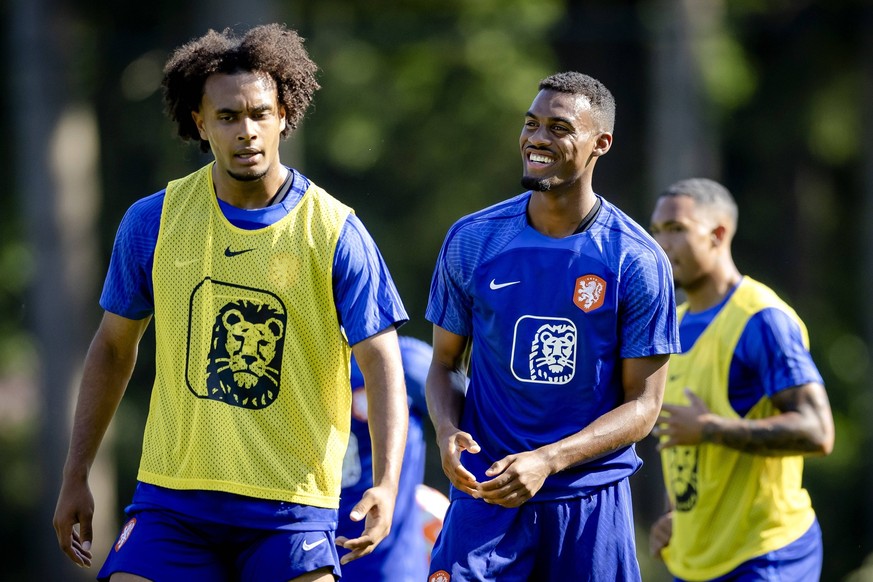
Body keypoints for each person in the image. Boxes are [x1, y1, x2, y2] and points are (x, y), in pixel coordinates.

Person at [52, 24, 410, 582]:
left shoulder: (336, 232)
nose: (247, 131)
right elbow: (113, 349)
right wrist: (77, 474)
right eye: (227, 117)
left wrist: (386, 483)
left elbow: (382, 365)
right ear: (199, 123)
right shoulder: (153, 221)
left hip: (290, 511)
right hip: (174, 502)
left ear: (285, 114)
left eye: (260, 113)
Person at [424, 71, 680, 581]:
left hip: (587, 503)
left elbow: (644, 406)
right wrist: (448, 430)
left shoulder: (636, 260)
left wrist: (549, 460)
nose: (537, 138)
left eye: (559, 128)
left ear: (599, 144)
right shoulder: (473, 240)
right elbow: (445, 365)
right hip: (487, 494)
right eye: (531, 124)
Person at [648, 177, 835, 581]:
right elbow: (682, 441)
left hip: (766, 554)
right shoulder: (672, 327)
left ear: (718, 234)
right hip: (696, 558)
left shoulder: (762, 320)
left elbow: (818, 431)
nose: (662, 244)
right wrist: (674, 514)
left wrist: (710, 429)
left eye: (677, 230)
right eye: (657, 231)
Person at [338, 335, 448, 581]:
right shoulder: (298, 361)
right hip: (309, 547)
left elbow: (472, 425)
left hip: (389, 562)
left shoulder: (405, 359)